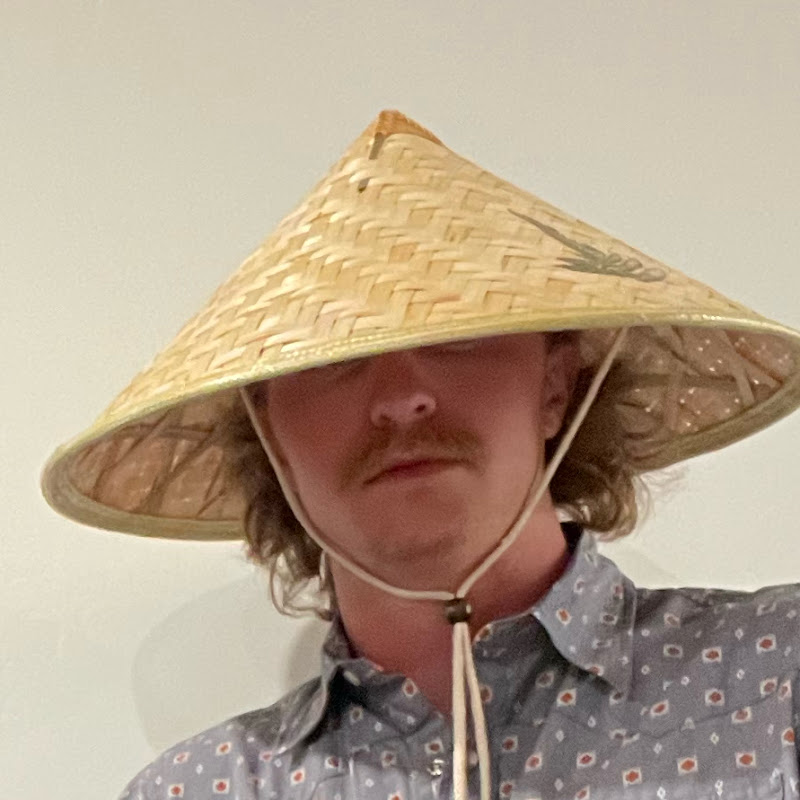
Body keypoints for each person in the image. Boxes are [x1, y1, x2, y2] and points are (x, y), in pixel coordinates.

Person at [42, 110, 800, 800]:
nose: (401, 397)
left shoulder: (777, 674)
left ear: (556, 385)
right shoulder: (205, 790)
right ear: (271, 438)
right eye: (336, 360)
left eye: (457, 339)